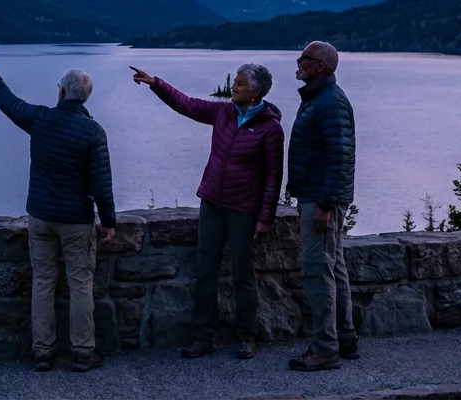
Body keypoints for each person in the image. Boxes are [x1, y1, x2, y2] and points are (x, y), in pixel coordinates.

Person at [131, 63, 285, 360]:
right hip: (213, 203)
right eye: (235, 82)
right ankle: (204, 337)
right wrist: (156, 83)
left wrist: (265, 218)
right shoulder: (223, 113)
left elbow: (273, 176)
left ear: (255, 92)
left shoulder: (270, 129)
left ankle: (246, 336)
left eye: (239, 84)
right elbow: (187, 104)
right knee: (206, 272)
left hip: (243, 210)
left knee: (242, 274)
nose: (233, 88)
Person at [0, 62, 116, 373]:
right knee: (80, 283)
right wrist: (108, 222)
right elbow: (101, 183)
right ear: (84, 98)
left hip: (40, 216)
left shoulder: (41, 118)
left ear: (61, 92)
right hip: (75, 220)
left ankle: (42, 352)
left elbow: (9, 103)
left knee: (43, 281)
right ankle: (83, 352)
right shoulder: (93, 132)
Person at [285, 41, 358, 371]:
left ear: (322, 67)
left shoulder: (329, 102)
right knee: (334, 267)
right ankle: (345, 339)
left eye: (306, 58)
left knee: (317, 271)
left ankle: (325, 349)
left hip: (321, 198)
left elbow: (339, 157)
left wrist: (325, 206)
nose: (299, 62)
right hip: (318, 195)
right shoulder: (319, 98)